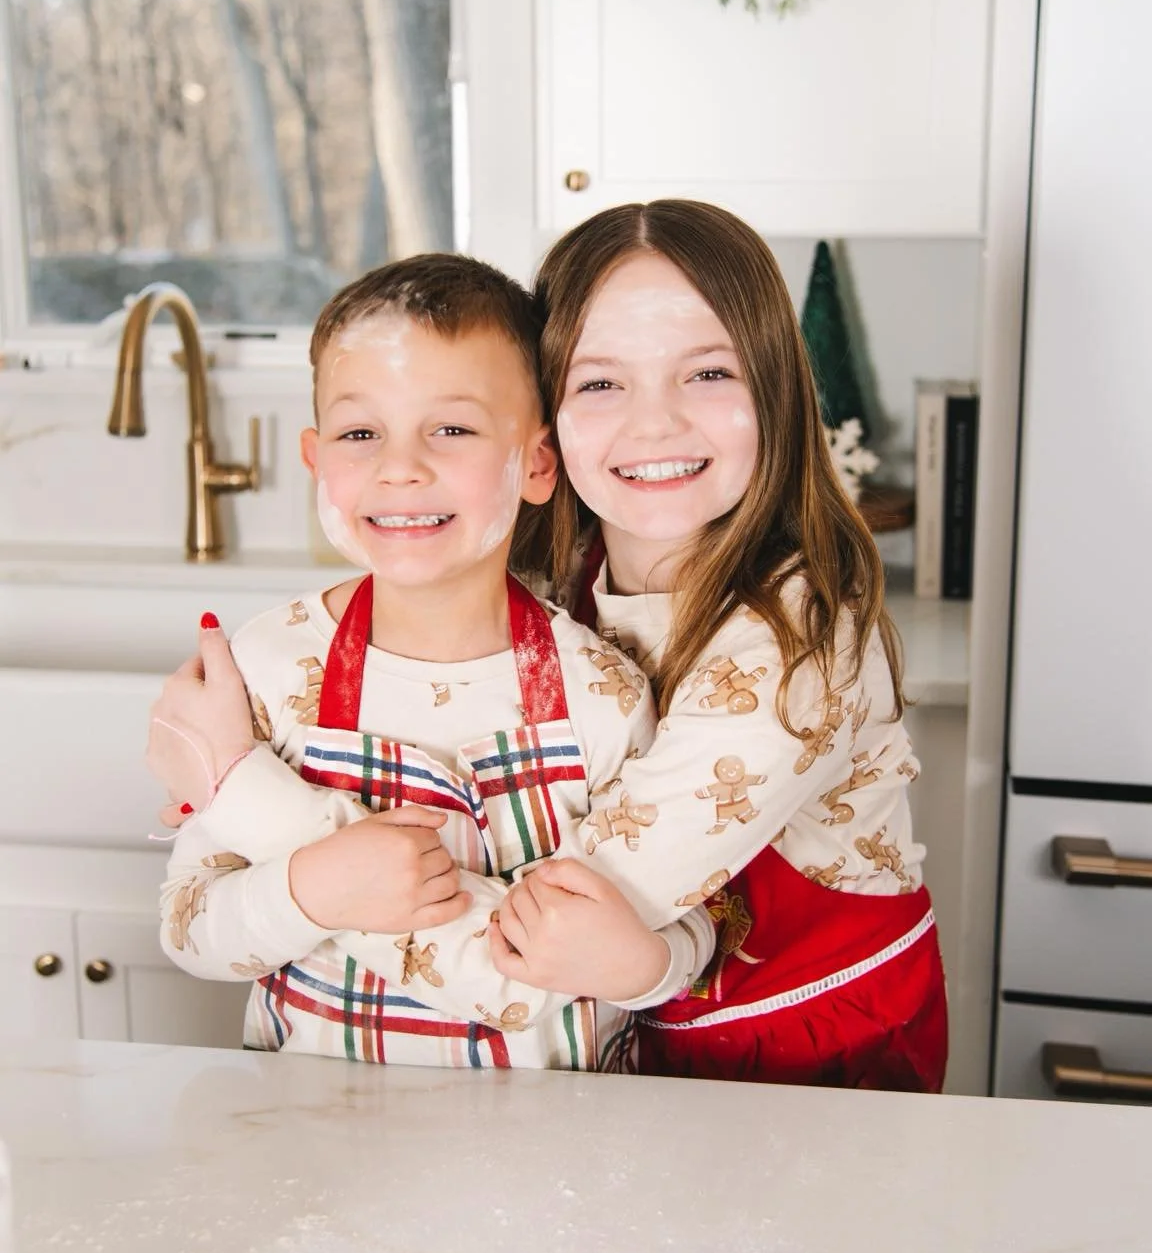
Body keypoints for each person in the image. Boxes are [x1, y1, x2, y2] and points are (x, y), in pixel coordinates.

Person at [154, 200, 947, 1091]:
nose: (654, 425)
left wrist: (239, 789)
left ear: (776, 387)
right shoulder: (556, 578)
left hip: (804, 1060)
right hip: (619, 1065)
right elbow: (197, 914)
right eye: (601, 383)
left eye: (709, 373)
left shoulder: (796, 649)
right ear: (549, 423)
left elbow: (531, 962)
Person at [153, 252, 714, 1070]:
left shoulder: (602, 694)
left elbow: (686, 917)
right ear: (316, 460)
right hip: (317, 1125)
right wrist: (312, 887)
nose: (400, 467)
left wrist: (649, 968)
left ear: (537, 464)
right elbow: (188, 925)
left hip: (559, 1133)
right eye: (360, 434)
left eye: (452, 430)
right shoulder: (268, 670)